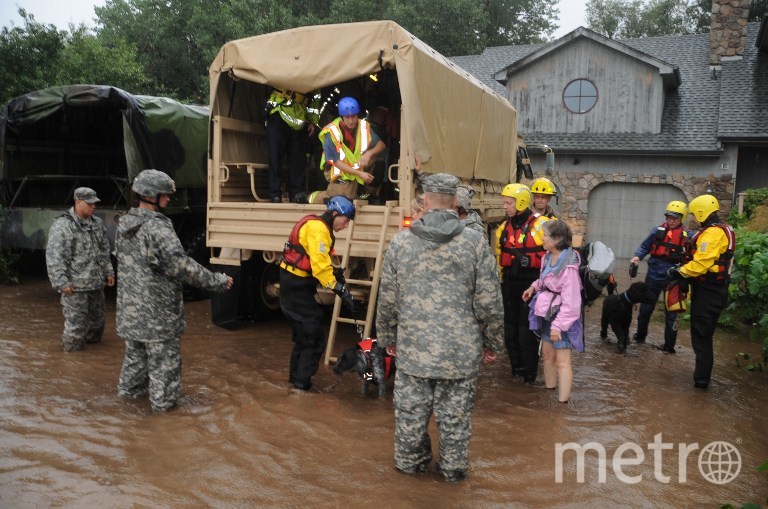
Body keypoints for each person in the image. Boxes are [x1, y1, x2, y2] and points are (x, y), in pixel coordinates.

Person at [377, 173, 504, 483]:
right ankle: (452, 474)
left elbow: (387, 298)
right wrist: (493, 343)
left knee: (409, 421)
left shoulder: (401, 242)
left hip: (413, 351)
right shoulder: (474, 242)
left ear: (424, 200)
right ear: (456, 202)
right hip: (459, 354)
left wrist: (387, 338)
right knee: (455, 423)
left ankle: (410, 473)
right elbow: (489, 300)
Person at [116, 170, 233, 412]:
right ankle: (164, 432)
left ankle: (126, 423)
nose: (169, 199)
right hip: (158, 317)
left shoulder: (125, 224)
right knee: (165, 383)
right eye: (165, 195)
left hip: (132, 315)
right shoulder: (157, 228)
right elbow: (181, 265)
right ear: (151, 195)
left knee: (132, 378)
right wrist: (216, 281)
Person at [279, 195, 357, 391]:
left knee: (303, 335)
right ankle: (302, 386)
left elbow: (318, 261)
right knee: (314, 337)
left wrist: (336, 277)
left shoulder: (317, 225)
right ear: (335, 213)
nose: (345, 225)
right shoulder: (319, 230)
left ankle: (295, 381)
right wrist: (339, 289)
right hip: (295, 285)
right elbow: (320, 268)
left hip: (293, 283)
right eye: (345, 220)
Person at [667, 194, 735, 390]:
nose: (695, 219)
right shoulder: (723, 229)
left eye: (696, 215)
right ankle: (702, 378)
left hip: (709, 292)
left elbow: (702, 263)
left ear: (702, 212)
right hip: (713, 290)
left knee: (702, 336)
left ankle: (701, 383)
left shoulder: (713, 234)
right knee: (703, 335)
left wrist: (678, 271)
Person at [46, 187, 115, 351]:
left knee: (97, 327)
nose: (93, 207)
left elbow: (104, 250)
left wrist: (108, 271)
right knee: (76, 332)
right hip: (75, 288)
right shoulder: (63, 226)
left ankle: (90, 365)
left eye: (95, 203)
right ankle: (71, 364)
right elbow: (55, 257)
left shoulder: (97, 224)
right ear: (78, 202)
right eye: (89, 203)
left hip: (96, 285)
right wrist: (62, 283)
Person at [522, 220, 583, 403]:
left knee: (562, 361)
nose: (542, 238)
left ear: (557, 239)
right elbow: (544, 281)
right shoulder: (547, 257)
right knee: (547, 355)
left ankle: (561, 406)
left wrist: (558, 325)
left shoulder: (569, 267)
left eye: (545, 235)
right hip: (547, 313)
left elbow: (572, 303)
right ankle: (550, 393)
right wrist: (533, 287)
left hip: (562, 317)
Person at [495, 183, 550, 383]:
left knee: (526, 333)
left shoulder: (542, 224)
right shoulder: (503, 228)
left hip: (531, 285)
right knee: (510, 331)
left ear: (521, 202)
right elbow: (500, 257)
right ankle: (516, 369)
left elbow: (557, 254)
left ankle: (529, 374)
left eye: (508, 203)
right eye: (504, 203)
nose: (505, 207)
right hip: (509, 284)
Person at [630, 200, 689, 353]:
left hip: (674, 278)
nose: (671, 220)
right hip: (654, 274)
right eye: (669, 217)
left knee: (672, 313)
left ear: (682, 218)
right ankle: (640, 337)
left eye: (674, 218)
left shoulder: (688, 236)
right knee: (646, 309)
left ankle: (669, 347)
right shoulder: (657, 230)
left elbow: (691, 258)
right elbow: (645, 246)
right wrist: (637, 257)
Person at [309, 97, 386, 204]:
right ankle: (312, 197)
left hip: (356, 168)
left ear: (357, 115)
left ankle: (368, 194)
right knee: (345, 200)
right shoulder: (331, 132)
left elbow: (381, 145)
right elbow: (337, 163)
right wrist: (359, 174)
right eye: (347, 117)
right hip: (339, 171)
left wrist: (369, 154)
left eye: (353, 116)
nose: (351, 121)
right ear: (342, 116)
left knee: (379, 162)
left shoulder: (363, 126)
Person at [266, 87, 320, 203]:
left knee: (297, 159)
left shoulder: (313, 72)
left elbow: (315, 98)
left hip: (300, 118)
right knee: (275, 156)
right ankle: (274, 193)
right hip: (278, 112)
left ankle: (296, 194)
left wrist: (313, 121)